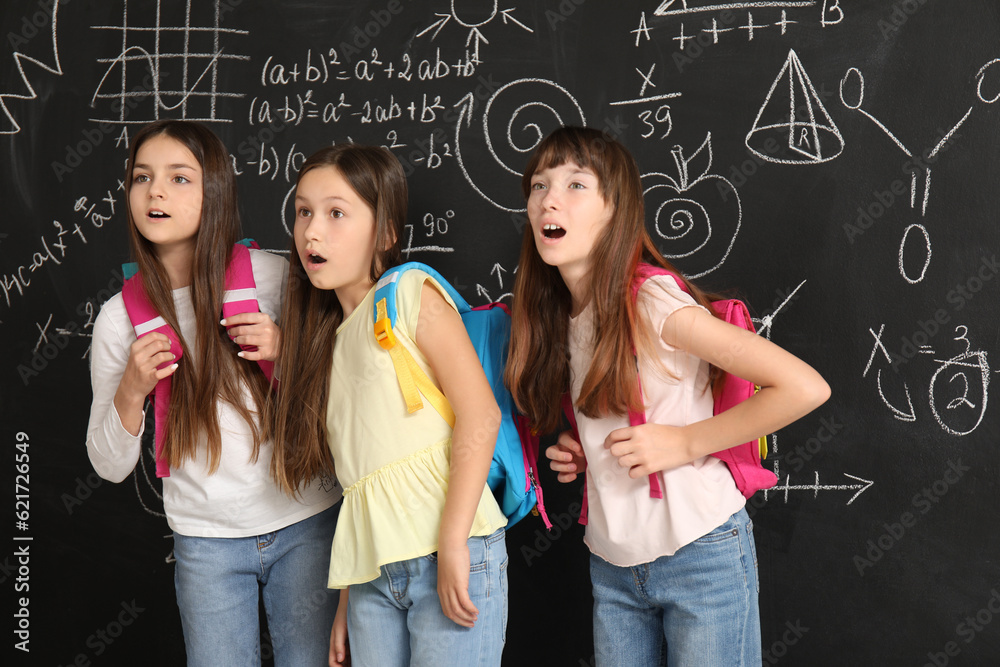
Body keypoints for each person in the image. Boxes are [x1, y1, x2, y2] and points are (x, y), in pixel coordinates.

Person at [504, 126, 831, 666]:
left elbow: (802, 386)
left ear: (616, 211)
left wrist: (683, 443)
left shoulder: (652, 302)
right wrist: (591, 449)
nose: (549, 199)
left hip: (700, 554)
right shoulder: (559, 319)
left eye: (576, 184)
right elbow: (646, 407)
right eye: (539, 185)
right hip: (612, 565)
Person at [85, 119, 341, 666]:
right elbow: (107, 465)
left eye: (180, 178)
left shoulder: (279, 278)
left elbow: (352, 393)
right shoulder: (118, 321)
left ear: (216, 191)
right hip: (205, 545)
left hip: (307, 522)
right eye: (141, 178)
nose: (155, 191)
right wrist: (131, 390)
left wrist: (284, 353)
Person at [268, 144, 508, 667]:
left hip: (448, 549)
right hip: (373, 580)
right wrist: (346, 601)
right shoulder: (327, 347)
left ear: (385, 233)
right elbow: (365, 485)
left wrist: (452, 543)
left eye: (336, 213)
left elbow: (480, 415)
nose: (312, 232)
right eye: (304, 212)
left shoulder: (405, 293)